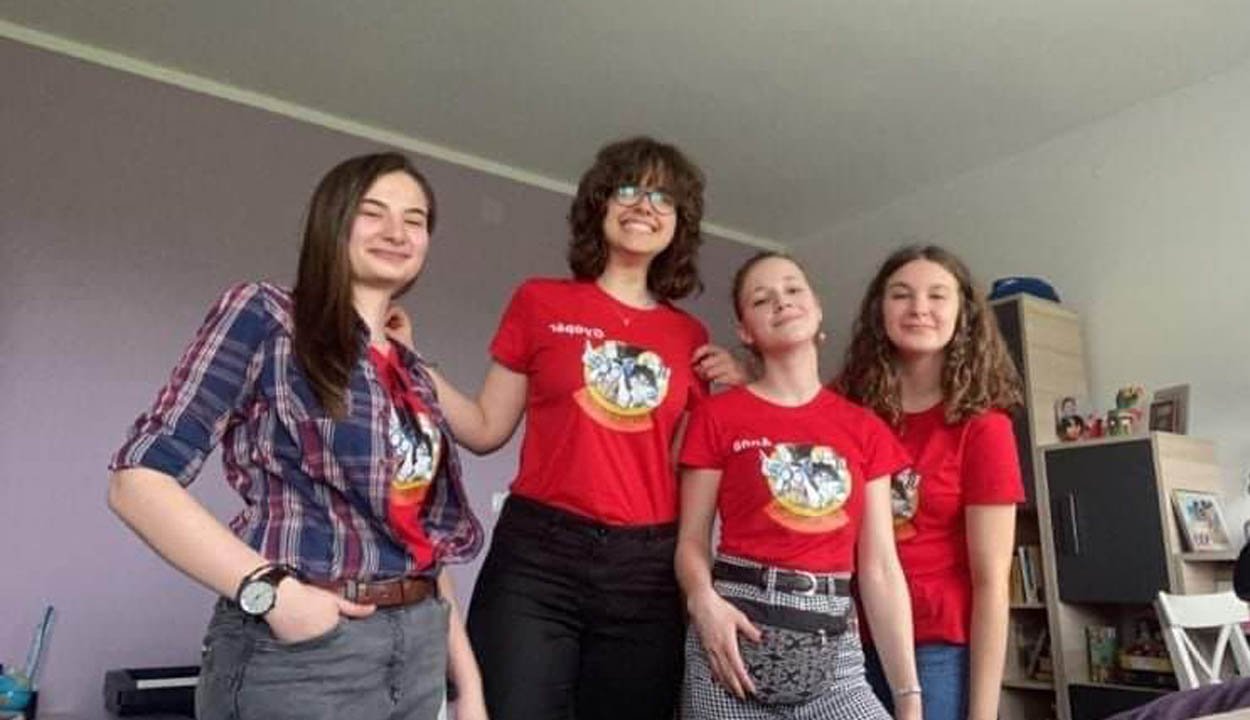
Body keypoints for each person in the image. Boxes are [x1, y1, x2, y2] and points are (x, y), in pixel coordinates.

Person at [107, 152, 485, 720]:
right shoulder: (269, 315)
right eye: (372, 212)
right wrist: (273, 594)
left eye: (415, 220)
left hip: (420, 651)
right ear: (333, 222)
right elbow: (138, 479)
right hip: (309, 656)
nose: (396, 232)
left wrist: (469, 688)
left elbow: (417, 538)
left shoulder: (411, 372)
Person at [386, 136, 742, 720]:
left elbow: (697, 466)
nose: (644, 205)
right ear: (600, 204)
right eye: (628, 189)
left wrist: (748, 384)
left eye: (663, 198)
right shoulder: (540, 301)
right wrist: (411, 359)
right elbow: (484, 429)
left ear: (678, 223)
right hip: (537, 560)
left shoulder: (690, 338)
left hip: (646, 569)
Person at [676, 251, 921, 720]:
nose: (781, 301)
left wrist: (909, 697)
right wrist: (702, 601)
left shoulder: (864, 429)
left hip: (834, 648)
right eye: (761, 298)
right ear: (746, 331)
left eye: (793, 289)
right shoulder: (717, 417)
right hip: (730, 640)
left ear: (817, 309)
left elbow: (880, 569)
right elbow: (691, 540)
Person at [836, 244, 1024, 720]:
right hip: (849, 643)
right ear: (879, 311)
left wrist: (982, 715)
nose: (919, 308)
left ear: (963, 314)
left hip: (937, 650)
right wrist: (747, 377)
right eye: (902, 294)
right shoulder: (848, 412)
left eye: (937, 295)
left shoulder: (985, 428)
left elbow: (991, 583)